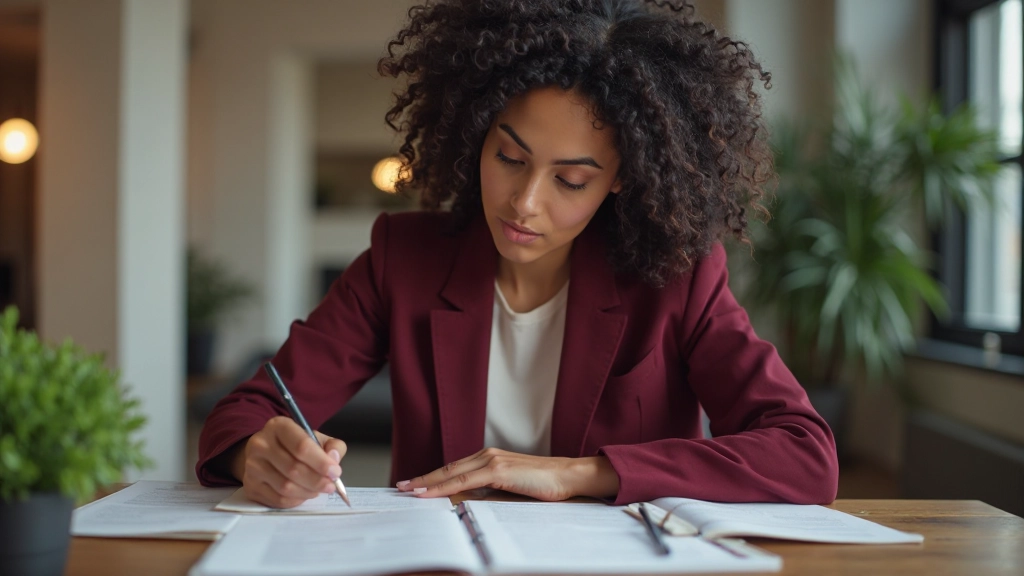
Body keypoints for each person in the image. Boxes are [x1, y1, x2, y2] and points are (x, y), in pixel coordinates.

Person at [197, 0, 839, 509]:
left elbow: (805, 453)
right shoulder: (404, 260)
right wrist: (259, 454)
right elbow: (244, 413)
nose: (524, 202)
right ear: (479, 132)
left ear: (621, 178)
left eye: (571, 180)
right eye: (509, 157)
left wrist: (578, 474)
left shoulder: (676, 281)